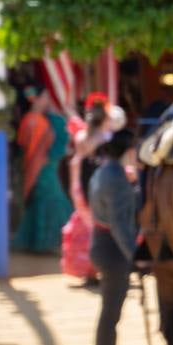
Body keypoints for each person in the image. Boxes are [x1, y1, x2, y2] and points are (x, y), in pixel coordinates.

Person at [88, 128, 138, 345]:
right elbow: (120, 225)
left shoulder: (103, 171)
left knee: (108, 315)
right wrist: (135, 256)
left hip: (100, 243)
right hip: (113, 250)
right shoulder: (116, 178)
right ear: (128, 151)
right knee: (111, 316)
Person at [13, 85, 74, 254]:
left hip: (41, 167)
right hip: (42, 167)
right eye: (46, 97)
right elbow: (32, 147)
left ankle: (39, 242)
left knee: (41, 203)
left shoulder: (37, 119)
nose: (48, 100)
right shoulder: (35, 120)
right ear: (36, 99)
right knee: (53, 201)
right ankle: (56, 242)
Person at [63, 93, 111, 283]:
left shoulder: (81, 136)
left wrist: (74, 187)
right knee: (100, 227)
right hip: (98, 184)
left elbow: (76, 161)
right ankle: (100, 267)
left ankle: (89, 270)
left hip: (80, 184)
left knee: (86, 226)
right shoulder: (105, 137)